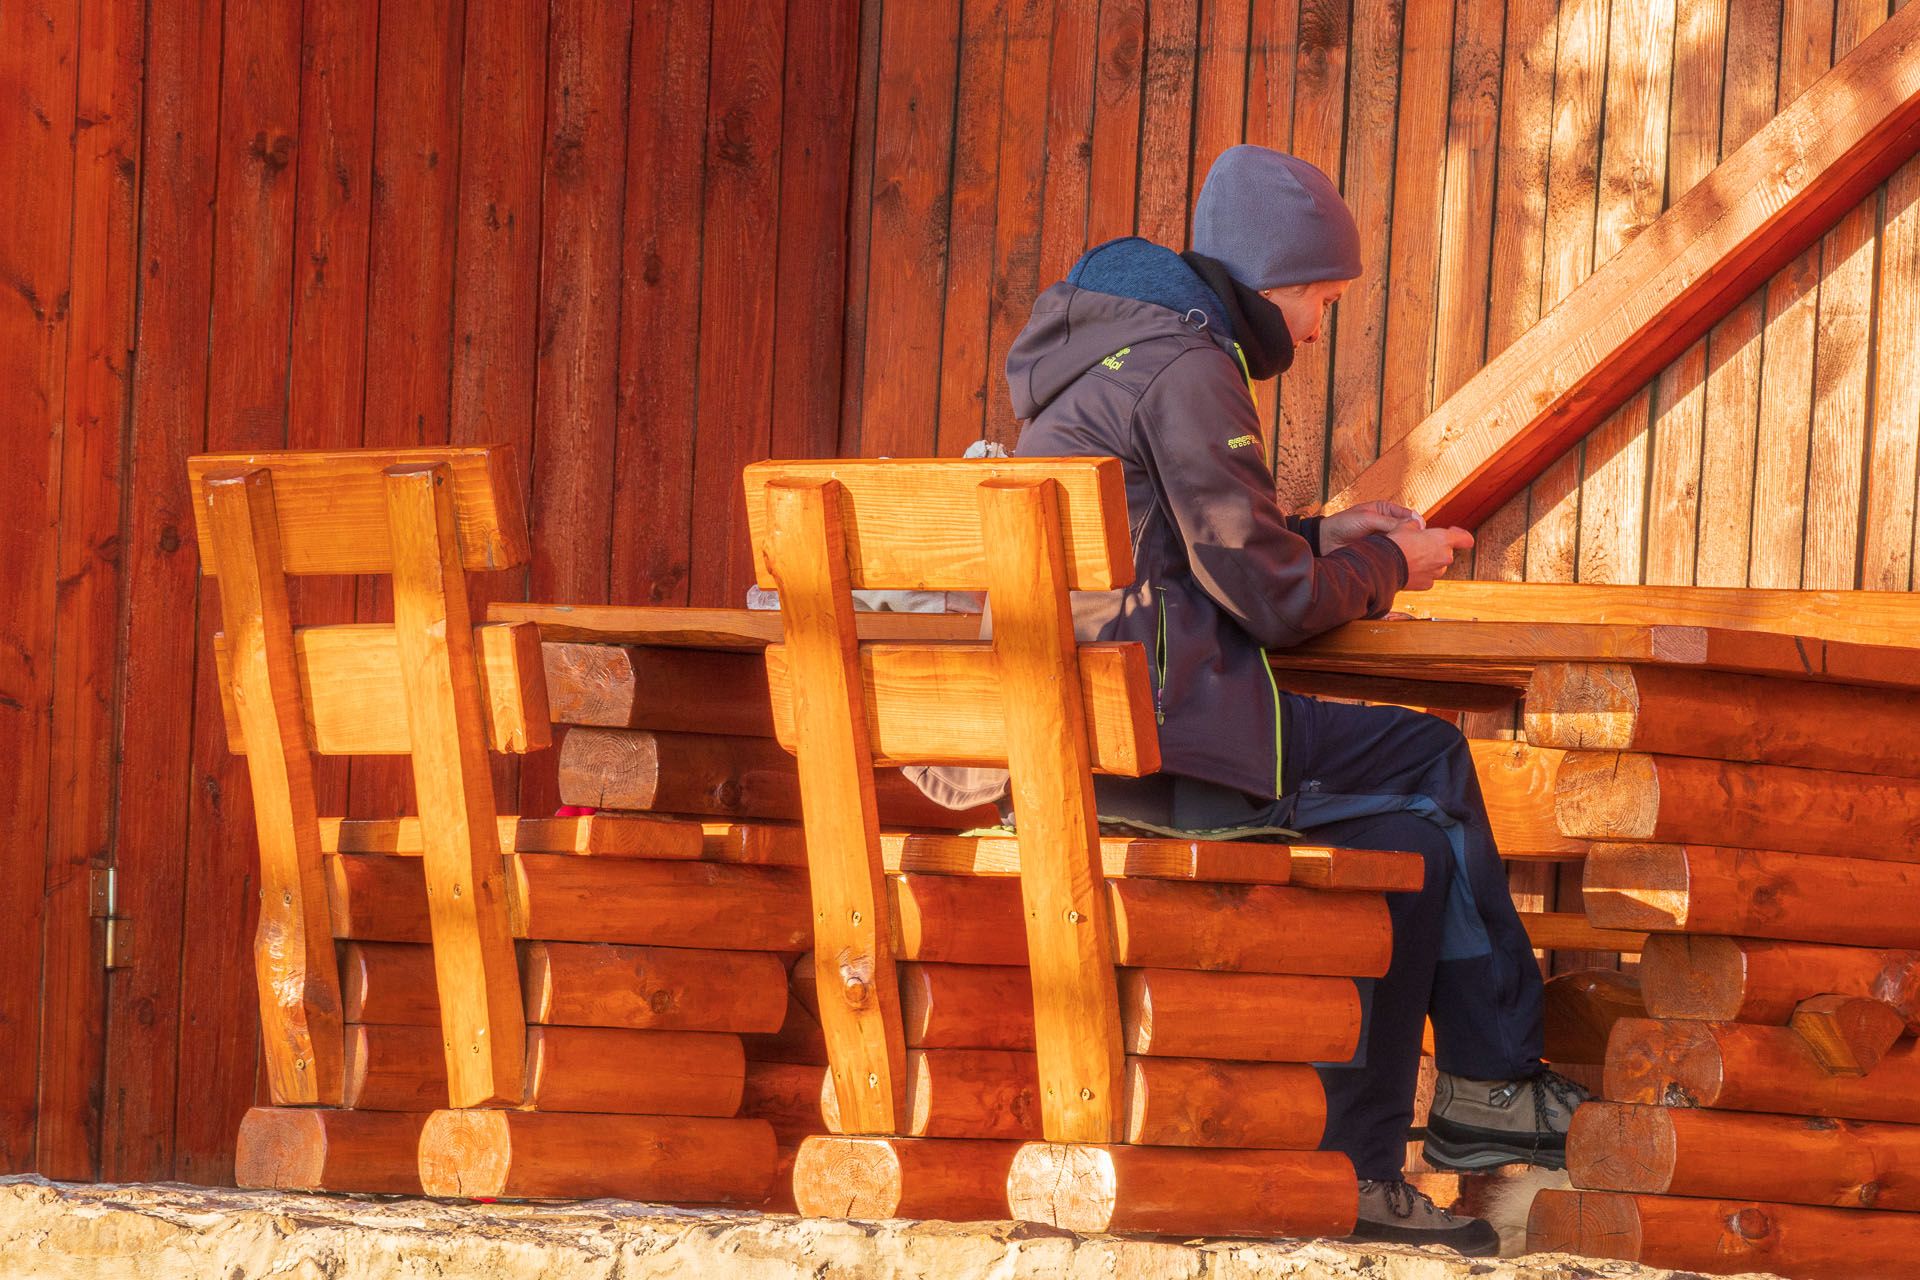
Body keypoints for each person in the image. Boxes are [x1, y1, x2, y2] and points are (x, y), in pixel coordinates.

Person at [929, 145, 1584, 1255]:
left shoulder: (1107, 354)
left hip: (1071, 735)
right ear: (1272, 279)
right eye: (1322, 296)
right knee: (1431, 763)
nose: (1322, 325)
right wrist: (1392, 567)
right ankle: (1488, 1088)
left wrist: (1330, 531)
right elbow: (1271, 600)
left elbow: (1188, 544)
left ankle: (1365, 1173)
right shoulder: (1193, 363)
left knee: (1411, 848)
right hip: (1155, 744)